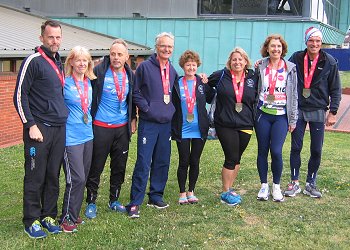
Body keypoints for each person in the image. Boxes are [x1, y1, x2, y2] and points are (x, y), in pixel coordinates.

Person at [13, 20, 68, 239]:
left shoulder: (59, 61)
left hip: (58, 129)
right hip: (39, 130)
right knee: (35, 176)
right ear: (42, 38)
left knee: (53, 175)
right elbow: (19, 95)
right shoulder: (33, 61)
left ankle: (48, 216)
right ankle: (32, 220)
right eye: (50, 37)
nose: (54, 41)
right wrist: (31, 125)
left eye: (58, 37)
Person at [284, 27, 341, 198]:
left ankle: (311, 182)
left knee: (316, 149)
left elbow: (336, 88)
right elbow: (280, 68)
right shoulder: (296, 58)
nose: (314, 44)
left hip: (317, 110)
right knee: (296, 146)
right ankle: (294, 182)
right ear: (306, 41)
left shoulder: (330, 61)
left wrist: (333, 112)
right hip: (299, 109)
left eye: (317, 41)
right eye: (311, 40)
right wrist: (260, 63)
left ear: (321, 42)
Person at [126, 32, 178, 218]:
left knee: (162, 161)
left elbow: (174, 93)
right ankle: (135, 202)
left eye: (170, 47)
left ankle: (156, 196)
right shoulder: (144, 67)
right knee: (143, 161)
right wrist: (146, 109)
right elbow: (136, 91)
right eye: (163, 46)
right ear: (156, 47)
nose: (166, 49)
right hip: (149, 123)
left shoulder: (172, 70)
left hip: (166, 124)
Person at [84, 39, 137, 219]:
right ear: (109, 54)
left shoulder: (130, 74)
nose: (116, 57)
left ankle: (113, 200)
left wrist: (133, 118)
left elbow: (132, 98)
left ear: (126, 57)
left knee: (119, 166)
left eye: (120, 54)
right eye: (113, 53)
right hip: (100, 127)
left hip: (121, 128)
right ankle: (91, 201)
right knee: (96, 166)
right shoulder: (98, 71)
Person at [208, 47, 258, 206]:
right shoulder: (221, 75)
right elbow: (205, 84)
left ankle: (230, 188)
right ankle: (225, 192)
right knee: (230, 157)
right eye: (234, 59)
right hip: (225, 124)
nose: (237, 62)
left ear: (246, 62)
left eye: (240, 59)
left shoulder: (253, 77)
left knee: (237, 158)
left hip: (246, 124)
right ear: (230, 62)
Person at [255, 34, 298, 202]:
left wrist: (293, 119)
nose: (276, 49)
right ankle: (264, 185)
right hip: (263, 115)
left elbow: (294, 95)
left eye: (279, 46)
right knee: (262, 150)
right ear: (267, 48)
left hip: (281, 116)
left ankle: (277, 186)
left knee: (276, 151)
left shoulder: (290, 68)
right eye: (272, 46)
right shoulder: (260, 66)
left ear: (283, 49)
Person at [60, 46, 96, 233]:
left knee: (83, 177)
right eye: (78, 60)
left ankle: (74, 213)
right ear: (71, 62)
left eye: (85, 60)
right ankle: (66, 217)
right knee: (76, 178)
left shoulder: (89, 82)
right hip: (70, 137)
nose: (82, 63)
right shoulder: (64, 83)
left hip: (87, 135)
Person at [172, 50, 214, 205]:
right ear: (183, 66)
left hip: (199, 129)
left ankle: (191, 191)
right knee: (184, 161)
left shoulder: (202, 83)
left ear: (198, 66)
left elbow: (211, 97)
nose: (191, 68)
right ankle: (182, 192)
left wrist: (207, 81)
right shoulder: (176, 83)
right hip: (182, 128)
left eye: (194, 65)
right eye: (188, 64)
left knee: (195, 160)